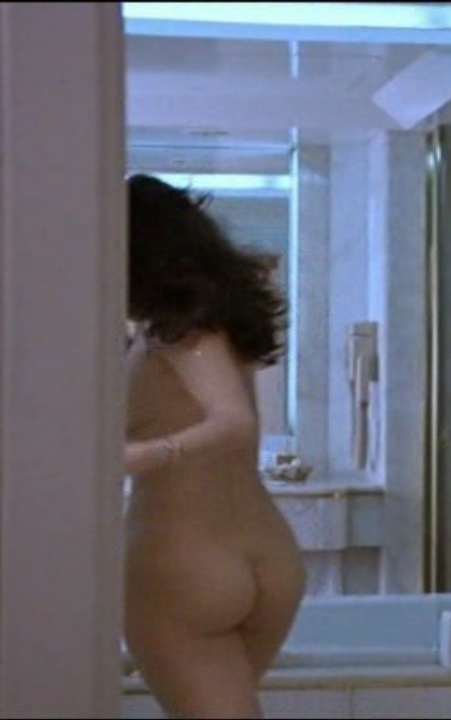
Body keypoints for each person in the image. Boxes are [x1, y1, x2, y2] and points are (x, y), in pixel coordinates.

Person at [122, 173, 306, 718]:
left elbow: (234, 421)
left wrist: (140, 455)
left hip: (184, 561)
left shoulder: (178, 334)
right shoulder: (212, 329)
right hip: (266, 557)